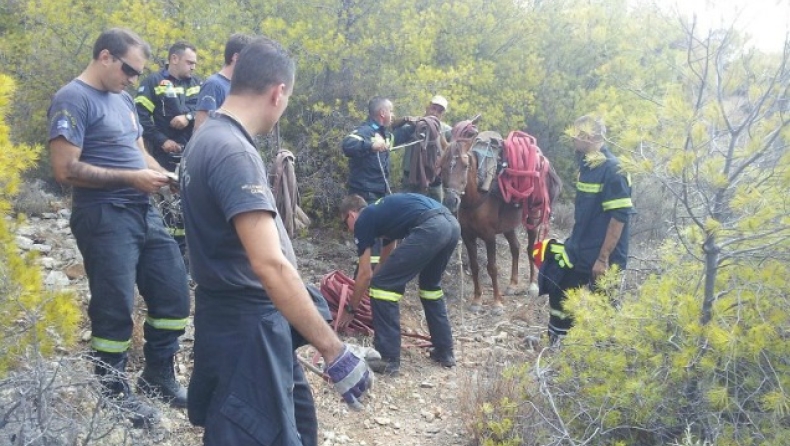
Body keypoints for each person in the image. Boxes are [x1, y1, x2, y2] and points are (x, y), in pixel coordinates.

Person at [180, 37, 372, 446]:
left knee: (299, 427)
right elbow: (270, 265)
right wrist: (334, 351)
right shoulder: (233, 152)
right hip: (246, 328)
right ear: (278, 92)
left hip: (231, 320)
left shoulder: (205, 138)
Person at [48, 28, 191, 427]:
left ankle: (157, 376)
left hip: (142, 209)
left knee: (174, 295)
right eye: (129, 69)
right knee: (114, 310)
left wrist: (165, 175)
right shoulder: (72, 98)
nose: (133, 78)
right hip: (103, 214)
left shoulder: (124, 99)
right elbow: (64, 170)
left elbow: (138, 151)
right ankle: (112, 392)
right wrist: (129, 179)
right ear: (105, 56)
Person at [338, 193, 460, 376]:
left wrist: (351, 309)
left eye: (344, 222)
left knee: (383, 288)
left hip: (432, 226)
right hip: (451, 224)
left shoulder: (363, 220)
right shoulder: (382, 215)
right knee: (430, 287)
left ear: (352, 214)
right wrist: (373, 287)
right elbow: (386, 258)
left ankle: (387, 359)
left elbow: (364, 274)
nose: (348, 230)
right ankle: (444, 352)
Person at [543, 115, 634, 344]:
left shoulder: (614, 169)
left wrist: (603, 259)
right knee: (558, 284)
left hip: (605, 255)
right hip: (580, 248)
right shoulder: (586, 165)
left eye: (577, 132)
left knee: (603, 308)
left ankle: (598, 356)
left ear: (592, 137)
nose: (572, 136)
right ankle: (559, 343)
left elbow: (618, 218)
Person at [341, 97, 411, 266]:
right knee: (371, 244)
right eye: (391, 111)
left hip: (380, 194)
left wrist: (419, 123)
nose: (393, 115)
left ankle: (371, 276)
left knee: (382, 239)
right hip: (365, 196)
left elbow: (398, 137)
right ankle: (365, 279)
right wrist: (370, 146)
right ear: (382, 113)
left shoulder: (384, 134)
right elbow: (347, 144)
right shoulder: (364, 132)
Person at [134, 41, 201, 173]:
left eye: (194, 64)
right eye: (189, 62)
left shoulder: (197, 84)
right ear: (174, 59)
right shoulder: (153, 82)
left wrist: (188, 117)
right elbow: (140, 118)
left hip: (194, 153)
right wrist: (162, 140)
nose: (193, 67)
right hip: (163, 154)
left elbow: (210, 111)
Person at [193, 33, 254, 131]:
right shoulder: (213, 85)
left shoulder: (238, 87)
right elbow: (200, 128)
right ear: (236, 57)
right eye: (250, 59)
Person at [400, 95, 452, 204]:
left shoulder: (446, 131)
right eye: (433, 108)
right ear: (427, 107)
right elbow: (392, 137)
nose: (435, 113)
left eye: (439, 111)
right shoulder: (412, 126)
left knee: (437, 211)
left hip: (434, 181)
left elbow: (453, 151)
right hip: (411, 180)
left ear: (443, 114)